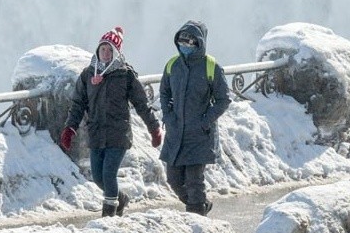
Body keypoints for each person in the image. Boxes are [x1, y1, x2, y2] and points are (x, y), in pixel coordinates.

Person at [60, 26, 163, 217]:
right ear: (97, 51)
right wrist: (70, 128)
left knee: (108, 174)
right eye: (103, 49)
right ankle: (120, 198)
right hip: (97, 134)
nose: (106, 53)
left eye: (110, 50)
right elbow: (77, 104)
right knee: (99, 178)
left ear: (116, 53)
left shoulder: (125, 75)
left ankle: (108, 217)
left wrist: (153, 127)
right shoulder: (88, 75)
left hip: (118, 134)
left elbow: (141, 103)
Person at [158, 20, 232, 216]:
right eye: (182, 42)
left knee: (194, 181)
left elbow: (224, 99)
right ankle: (200, 205)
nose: (185, 47)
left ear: (199, 43)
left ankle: (197, 218)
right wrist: (168, 115)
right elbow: (164, 92)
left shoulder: (211, 67)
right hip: (176, 132)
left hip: (199, 135)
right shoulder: (172, 65)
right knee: (173, 179)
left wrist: (205, 121)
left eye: (190, 43)